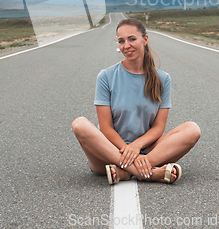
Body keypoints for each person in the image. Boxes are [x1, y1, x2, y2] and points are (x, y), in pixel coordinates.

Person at [72, 18, 201, 184]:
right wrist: (127, 150)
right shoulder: (106, 76)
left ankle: (125, 173)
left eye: (132, 39)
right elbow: (105, 128)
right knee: (79, 124)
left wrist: (136, 146)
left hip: (147, 151)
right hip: (108, 153)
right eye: (121, 41)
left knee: (192, 129)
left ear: (145, 40)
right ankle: (147, 173)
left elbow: (158, 127)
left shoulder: (163, 79)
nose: (126, 46)